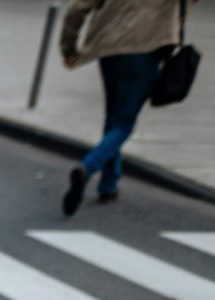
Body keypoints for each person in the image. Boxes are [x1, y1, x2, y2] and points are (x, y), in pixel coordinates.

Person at [58, 0, 190, 215]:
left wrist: (69, 48)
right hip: (145, 52)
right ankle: (87, 167)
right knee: (123, 124)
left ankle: (108, 186)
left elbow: (76, 10)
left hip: (110, 51)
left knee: (112, 117)